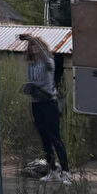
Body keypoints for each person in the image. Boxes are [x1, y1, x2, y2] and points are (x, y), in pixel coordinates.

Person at [21, 34, 71, 183]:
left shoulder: (49, 62)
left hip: (49, 103)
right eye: (32, 47)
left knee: (55, 137)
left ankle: (66, 172)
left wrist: (32, 39)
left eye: (36, 46)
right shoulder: (31, 65)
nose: (34, 49)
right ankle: (52, 170)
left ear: (41, 47)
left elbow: (46, 59)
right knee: (44, 138)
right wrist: (28, 88)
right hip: (36, 103)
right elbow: (31, 81)